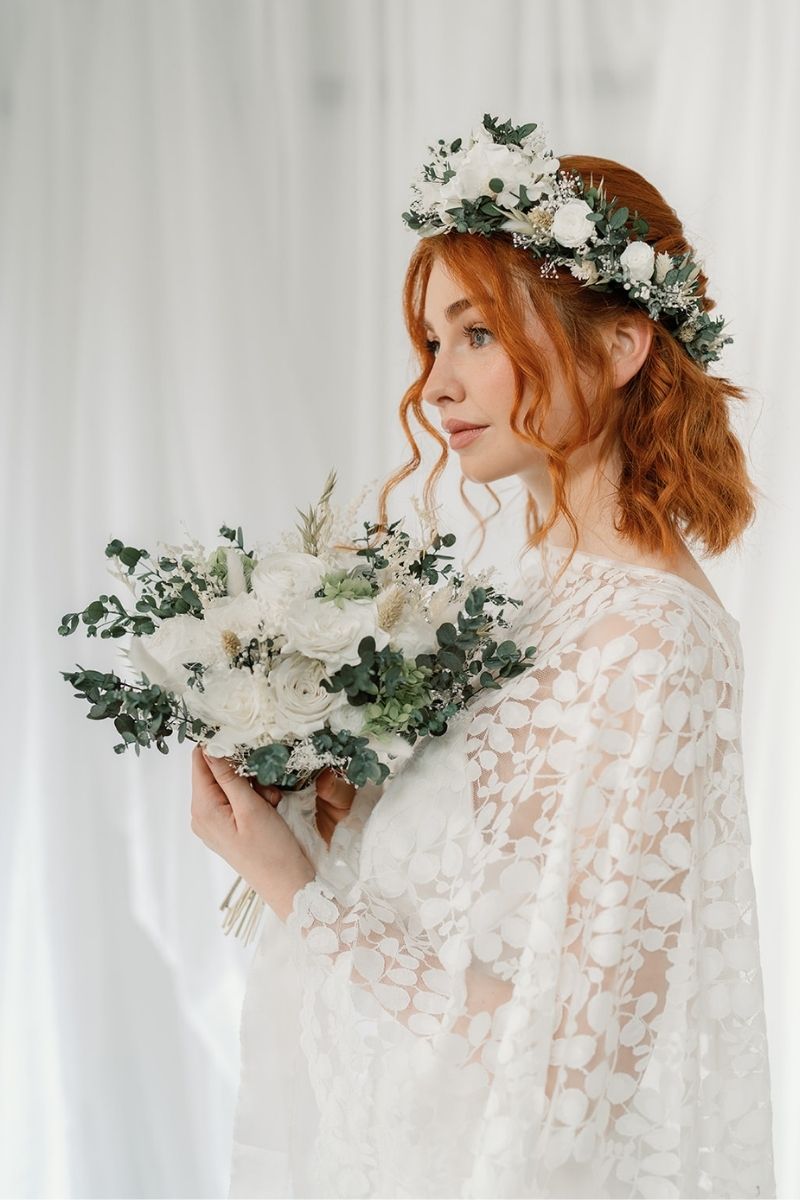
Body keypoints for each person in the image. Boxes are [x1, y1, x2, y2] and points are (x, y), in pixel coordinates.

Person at [198, 115, 776, 1198]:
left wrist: (290, 887)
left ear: (617, 346)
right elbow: (471, 936)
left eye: (476, 333)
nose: (436, 386)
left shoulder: (652, 639)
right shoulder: (518, 614)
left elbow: (571, 1067)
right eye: (430, 343)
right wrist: (332, 820)